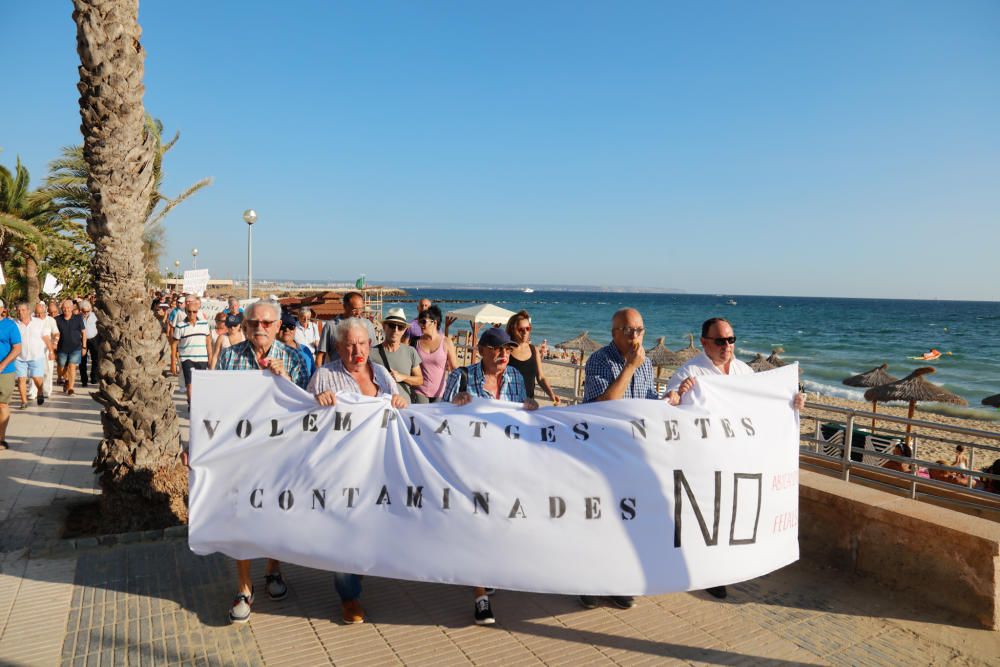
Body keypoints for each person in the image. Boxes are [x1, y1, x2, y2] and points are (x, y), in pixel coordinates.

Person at [666, 316, 805, 600]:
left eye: (731, 339)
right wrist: (677, 396)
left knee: (732, 518)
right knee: (705, 522)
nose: (727, 345)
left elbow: (766, 405)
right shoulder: (689, 373)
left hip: (737, 460)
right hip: (704, 462)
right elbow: (669, 407)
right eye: (720, 340)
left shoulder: (744, 372)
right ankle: (706, 574)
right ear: (704, 342)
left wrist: (793, 403)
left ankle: (727, 570)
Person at [308, 317, 408, 624]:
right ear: (338, 347)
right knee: (342, 532)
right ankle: (348, 597)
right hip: (340, 469)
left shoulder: (380, 373)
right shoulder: (324, 375)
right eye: (350, 345)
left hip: (379, 466)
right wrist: (315, 401)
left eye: (362, 343)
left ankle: (359, 569)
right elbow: (301, 417)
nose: (357, 350)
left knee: (371, 527)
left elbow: (399, 404)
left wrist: (400, 401)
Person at [216, 300, 307, 625]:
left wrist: (286, 381)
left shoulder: (294, 358)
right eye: (254, 322)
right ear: (245, 324)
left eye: (267, 323)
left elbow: (307, 407)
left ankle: (273, 570)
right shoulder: (229, 356)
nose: (260, 328)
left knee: (275, 515)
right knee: (240, 516)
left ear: (277, 324)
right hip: (241, 453)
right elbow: (217, 406)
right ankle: (243, 587)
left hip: (280, 454)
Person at [442, 327, 538, 625]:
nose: (502, 354)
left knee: (498, 524)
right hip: (471, 464)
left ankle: (487, 570)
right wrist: (453, 404)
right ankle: (480, 596)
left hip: (505, 465)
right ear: (481, 350)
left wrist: (531, 409)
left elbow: (522, 418)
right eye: (496, 349)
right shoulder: (461, 377)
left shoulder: (516, 378)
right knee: (476, 526)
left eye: (507, 349)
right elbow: (440, 417)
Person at [577, 307, 658, 610]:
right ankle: (586, 583)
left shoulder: (646, 364)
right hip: (602, 454)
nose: (635, 336)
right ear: (614, 334)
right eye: (628, 330)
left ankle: (616, 582)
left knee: (627, 522)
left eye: (639, 330)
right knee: (597, 521)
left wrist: (672, 400)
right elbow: (602, 405)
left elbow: (647, 401)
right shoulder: (599, 361)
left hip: (633, 455)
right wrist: (629, 368)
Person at [506, 310, 560, 405]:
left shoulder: (534, 350)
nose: (525, 332)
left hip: (529, 404)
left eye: (528, 328)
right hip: (509, 403)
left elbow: (541, 377)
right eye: (520, 329)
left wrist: (552, 395)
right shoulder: (505, 350)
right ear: (512, 329)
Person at [370, 308, 423, 400]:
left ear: (404, 330)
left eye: (400, 327)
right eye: (392, 325)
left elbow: (419, 380)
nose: (396, 330)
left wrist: (402, 377)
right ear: (384, 326)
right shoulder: (371, 353)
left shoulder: (410, 352)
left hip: (404, 407)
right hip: (381, 406)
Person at [315, 292, 377, 366]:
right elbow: (321, 355)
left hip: (362, 373)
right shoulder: (331, 326)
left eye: (361, 309)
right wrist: (319, 374)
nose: (358, 313)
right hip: (337, 373)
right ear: (345, 307)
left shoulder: (368, 324)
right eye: (354, 309)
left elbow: (374, 352)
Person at [412, 305, 458, 404]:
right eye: (420, 322)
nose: (421, 325)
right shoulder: (416, 342)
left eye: (424, 322)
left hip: (440, 392)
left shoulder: (446, 342)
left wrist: (459, 390)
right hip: (420, 390)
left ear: (435, 322)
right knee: (422, 418)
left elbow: (454, 367)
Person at [173, 295, 214, 406]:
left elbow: (208, 342)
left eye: (194, 312)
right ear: (186, 312)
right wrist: (173, 362)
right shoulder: (180, 326)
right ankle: (192, 405)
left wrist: (210, 358)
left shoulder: (204, 324)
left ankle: (198, 405)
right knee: (190, 384)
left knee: (200, 384)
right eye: (189, 312)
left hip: (202, 358)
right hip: (187, 358)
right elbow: (174, 344)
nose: (192, 314)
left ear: (197, 312)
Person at [14, 303, 50, 409]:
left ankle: (40, 391)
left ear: (29, 311)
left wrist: (51, 351)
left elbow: (45, 337)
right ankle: (24, 401)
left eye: (23, 310)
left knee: (37, 378)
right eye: (18, 310)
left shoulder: (39, 323)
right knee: (21, 379)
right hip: (19, 357)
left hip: (36, 356)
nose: (20, 312)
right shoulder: (14, 324)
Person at [55, 299, 86, 395]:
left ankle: (71, 388)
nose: (66, 309)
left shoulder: (78, 318)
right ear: (61, 308)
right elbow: (54, 333)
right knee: (61, 368)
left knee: (72, 367)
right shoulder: (57, 319)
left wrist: (84, 347)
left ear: (72, 308)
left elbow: (84, 333)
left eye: (68, 307)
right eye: (64, 308)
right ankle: (66, 380)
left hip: (75, 348)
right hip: (62, 348)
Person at [0, 310, 21, 449]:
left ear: (2, 310)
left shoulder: (10, 325)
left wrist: (3, 364)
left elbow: (17, 348)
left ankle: (1, 439)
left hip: (5, 372)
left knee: (1, 404)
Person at [278, 312, 315, 382]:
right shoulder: (270, 351)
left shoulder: (305, 350)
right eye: (282, 326)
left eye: (290, 326)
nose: (287, 330)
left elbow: (313, 375)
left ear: (295, 329)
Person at [32, 301, 59, 401]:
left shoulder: (51, 320)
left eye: (41, 313)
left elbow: (56, 333)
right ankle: (33, 392)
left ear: (45, 312)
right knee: (34, 371)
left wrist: (54, 344)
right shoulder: (32, 320)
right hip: (34, 349)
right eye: (37, 313)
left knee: (48, 371)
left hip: (47, 349)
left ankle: (46, 391)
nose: (39, 315)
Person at [78, 299, 100, 387]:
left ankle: (94, 377)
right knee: (82, 361)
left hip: (93, 339)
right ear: (81, 310)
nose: (86, 313)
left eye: (88, 311)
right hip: (81, 339)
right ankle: (84, 380)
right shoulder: (78, 317)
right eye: (84, 311)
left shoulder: (95, 316)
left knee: (95, 359)